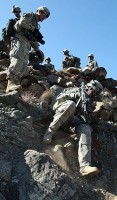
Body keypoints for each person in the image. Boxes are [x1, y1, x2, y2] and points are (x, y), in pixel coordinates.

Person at [43, 80, 103, 176]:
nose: (94, 95)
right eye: (94, 92)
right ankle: (49, 132)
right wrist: (74, 97)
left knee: (86, 129)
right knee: (71, 104)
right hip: (62, 116)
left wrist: (87, 115)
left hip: (73, 124)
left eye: (96, 94)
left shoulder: (90, 103)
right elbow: (57, 103)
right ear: (89, 88)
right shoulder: (75, 90)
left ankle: (84, 166)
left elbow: (87, 119)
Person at [6, 6, 50, 93]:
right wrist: (34, 30)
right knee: (17, 60)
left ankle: (15, 84)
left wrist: (37, 51)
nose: (44, 19)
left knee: (23, 65)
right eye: (44, 16)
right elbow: (22, 22)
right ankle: (10, 83)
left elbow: (33, 40)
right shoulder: (30, 15)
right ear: (40, 12)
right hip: (19, 40)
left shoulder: (36, 25)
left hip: (27, 45)